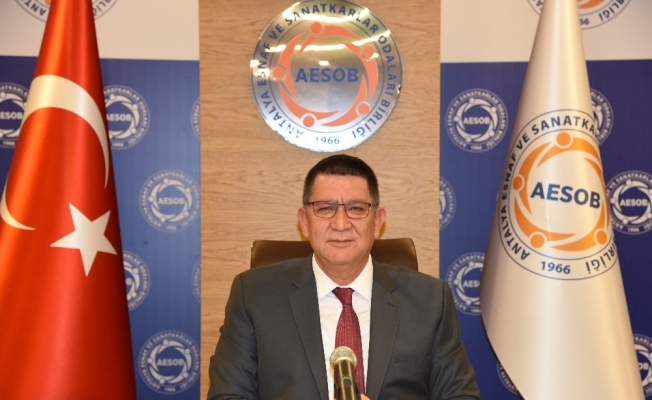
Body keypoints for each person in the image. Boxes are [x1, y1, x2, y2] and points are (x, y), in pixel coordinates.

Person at [207, 154, 480, 400]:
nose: (340, 224)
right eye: (325, 208)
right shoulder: (254, 296)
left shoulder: (430, 301)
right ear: (304, 221)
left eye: (356, 208)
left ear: (377, 221)